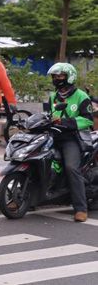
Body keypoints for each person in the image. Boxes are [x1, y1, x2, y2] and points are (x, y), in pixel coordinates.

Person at [47, 63, 93, 222]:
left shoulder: (81, 96)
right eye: (54, 76)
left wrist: (65, 122)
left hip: (71, 138)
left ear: (69, 76)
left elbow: (87, 120)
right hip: (52, 136)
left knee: (71, 168)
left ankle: (81, 208)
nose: (56, 79)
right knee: (37, 159)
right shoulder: (53, 96)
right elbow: (48, 115)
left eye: (59, 76)